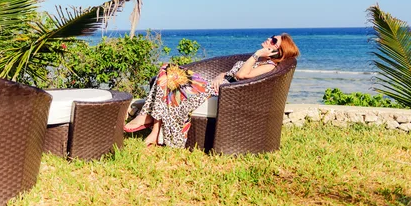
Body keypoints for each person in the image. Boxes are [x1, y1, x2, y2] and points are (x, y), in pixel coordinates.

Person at [123, 33, 300, 148]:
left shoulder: (268, 65)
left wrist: (257, 54)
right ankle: (154, 132)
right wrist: (218, 76)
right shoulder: (259, 61)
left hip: (220, 94)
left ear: (277, 50)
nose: (269, 39)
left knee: (168, 71)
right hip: (213, 86)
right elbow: (230, 72)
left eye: (274, 41)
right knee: (167, 72)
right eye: (271, 37)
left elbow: (243, 75)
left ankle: (146, 118)